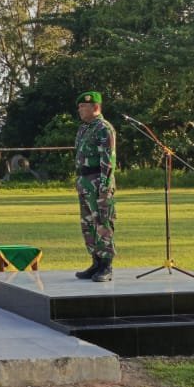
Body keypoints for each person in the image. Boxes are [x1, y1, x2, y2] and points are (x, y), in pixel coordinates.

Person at [73, 90, 117, 282]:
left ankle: (106, 265)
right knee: (88, 224)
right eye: (79, 107)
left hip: (98, 181)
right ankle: (96, 262)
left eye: (83, 106)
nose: (80, 110)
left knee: (103, 222)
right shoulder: (84, 128)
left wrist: (105, 186)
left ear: (95, 107)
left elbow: (108, 158)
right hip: (84, 182)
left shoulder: (104, 128)